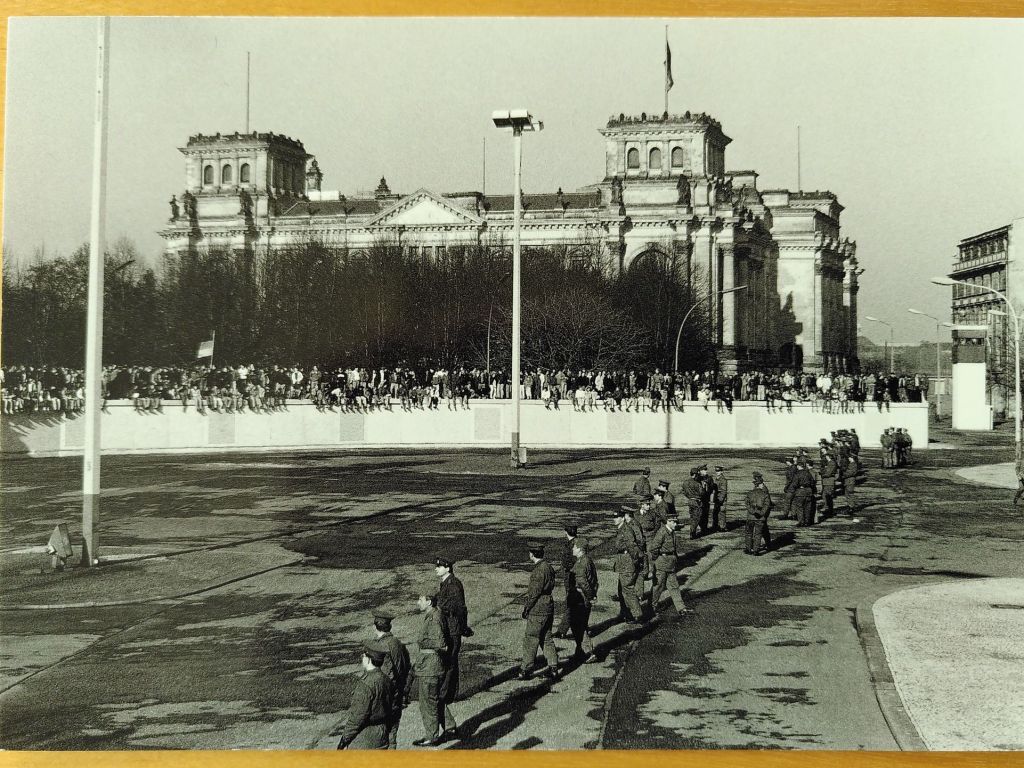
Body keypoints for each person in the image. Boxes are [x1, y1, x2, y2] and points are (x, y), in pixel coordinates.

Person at [435, 556, 470, 741]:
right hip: (449, 627)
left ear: (447, 568)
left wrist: (463, 628)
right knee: (448, 662)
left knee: (450, 663)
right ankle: (448, 692)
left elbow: (461, 608)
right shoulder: (446, 583)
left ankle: (447, 694)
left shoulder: (453, 584)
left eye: (439, 566)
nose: (436, 569)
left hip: (453, 629)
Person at [336, 641, 395, 750]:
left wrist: (344, 740)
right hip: (382, 734)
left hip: (364, 738)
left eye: (363, 656)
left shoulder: (365, 684)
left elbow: (357, 717)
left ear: (368, 659)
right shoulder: (387, 680)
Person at [519, 543, 560, 681]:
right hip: (548, 605)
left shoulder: (538, 571)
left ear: (532, 554)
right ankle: (553, 667)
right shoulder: (548, 566)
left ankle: (525, 669)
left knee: (531, 638)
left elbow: (534, 593)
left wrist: (527, 608)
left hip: (538, 608)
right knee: (546, 637)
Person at [412, 587, 446, 747]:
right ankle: (450, 727)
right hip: (432, 665)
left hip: (429, 666)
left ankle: (432, 736)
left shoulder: (433, 618)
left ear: (429, 601)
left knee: (428, 703)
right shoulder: (435, 614)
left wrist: (423, 643)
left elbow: (440, 643)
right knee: (434, 698)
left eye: (420, 599)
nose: (418, 602)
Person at [371, 609, 411, 749]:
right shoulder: (397, 643)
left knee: (381, 735)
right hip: (397, 693)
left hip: (386, 695)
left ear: (375, 626)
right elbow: (407, 666)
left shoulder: (380, 647)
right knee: (392, 733)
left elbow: (386, 674)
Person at [649, 516, 689, 614]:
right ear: (668, 521)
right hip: (662, 563)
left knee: (674, 586)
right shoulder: (662, 532)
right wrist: (658, 559)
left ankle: (681, 608)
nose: (676, 524)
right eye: (674, 522)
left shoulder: (672, 532)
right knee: (658, 586)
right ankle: (652, 607)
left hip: (671, 564)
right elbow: (653, 548)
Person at [612, 506, 645, 623]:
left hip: (627, 562)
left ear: (623, 518)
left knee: (627, 589)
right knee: (622, 589)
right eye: (614, 517)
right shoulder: (621, 529)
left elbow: (632, 547)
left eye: (617, 517)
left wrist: (634, 562)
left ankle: (637, 615)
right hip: (623, 562)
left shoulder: (626, 530)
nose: (614, 519)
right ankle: (625, 613)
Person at [568, 538, 598, 663]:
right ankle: (580, 651)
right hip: (585, 596)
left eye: (574, 547)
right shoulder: (587, 560)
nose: (573, 549)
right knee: (580, 624)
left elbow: (582, 582)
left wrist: (590, 596)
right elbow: (595, 580)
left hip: (580, 597)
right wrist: (593, 595)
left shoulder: (581, 564)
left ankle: (588, 652)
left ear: (580, 549)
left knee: (578, 625)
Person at [553, 523, 578, 638]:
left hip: (571, 576)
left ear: (566, 532)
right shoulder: (577, 543)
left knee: (571, 602)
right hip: (572, 575)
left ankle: (563, 630)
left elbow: (568, 562)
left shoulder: (571, 545)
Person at [744, 472, 773, 555]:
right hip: (760, 517)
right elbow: (767, 505)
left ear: (755, 485)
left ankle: (748, 549)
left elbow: (747, 504)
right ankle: (756, 550)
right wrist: (761, 513)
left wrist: (752, 511)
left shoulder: (749, 493)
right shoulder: (765, 494)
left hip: (750, 517)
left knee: (748, 533)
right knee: (758, 533)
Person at [792, 458, 817, 527]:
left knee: (800, 507)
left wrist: (797, 488)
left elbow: (794, 484)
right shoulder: (808, 473)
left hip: (800, 492)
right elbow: (812, 483)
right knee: (807, 507)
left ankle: (801, 521)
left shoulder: (797, 474)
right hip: (808, 492)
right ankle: (807, 522)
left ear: (798, 466)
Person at [681, 467, 704, 539]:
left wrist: (689, 496)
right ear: (695, 474)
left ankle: (692, 531)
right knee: (696, 518)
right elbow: (702, 493)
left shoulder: (685, 482)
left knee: (692, 517)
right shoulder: (697, 483)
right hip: (697, 502)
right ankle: (692, 533)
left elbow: (683, 492)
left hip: (690, 501)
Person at [820, 453, 838, 518]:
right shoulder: (829, 463)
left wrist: (822, 473)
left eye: (826, 457)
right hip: (827, 482)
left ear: (828, 457)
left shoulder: (831, 463)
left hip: (829, 481)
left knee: (828, 496)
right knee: (825, 495)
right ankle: (828, 510)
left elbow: (828, 473)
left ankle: (829, 511)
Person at [712, 465, 729, 531]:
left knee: (721, 513)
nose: (717, 472)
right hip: (716, 498)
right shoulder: (717, 479)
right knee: (715, 512)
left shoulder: (723, 480)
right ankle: (716, 526)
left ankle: (722, 527)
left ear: (721, 471)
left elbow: (724, 491)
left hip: (721, 499)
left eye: (718, 471)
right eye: (716, 471)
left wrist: (720, 500)